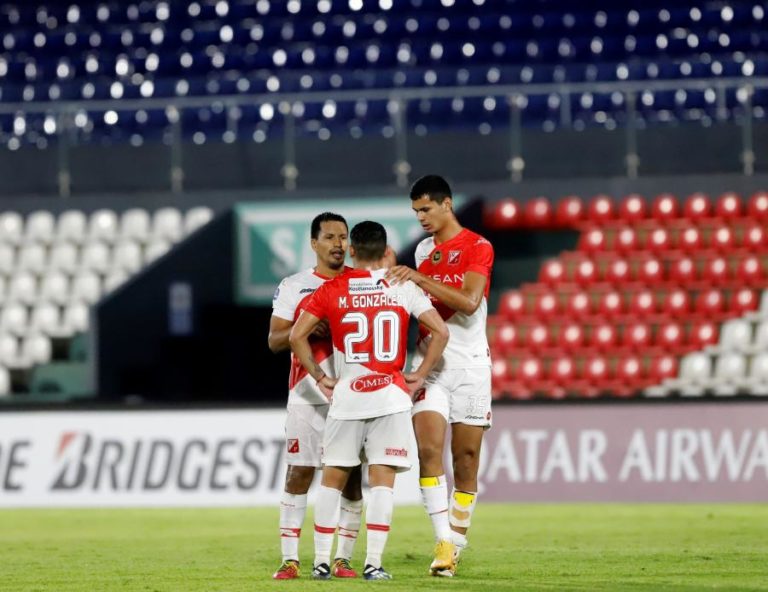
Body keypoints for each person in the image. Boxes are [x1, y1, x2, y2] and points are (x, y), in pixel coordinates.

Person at [289, 221, 449, 581]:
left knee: (332, 478)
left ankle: (320, 562)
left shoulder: (333, 288)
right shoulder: (402, 286)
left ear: (353, 251)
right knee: (382, 480)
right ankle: (373, 564)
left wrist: (320, 377)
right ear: (385, 250)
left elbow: (297, 335)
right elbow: (440, 331)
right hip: (391, 395)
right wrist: (420, 373)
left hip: (348, 395)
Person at [386, 175, 495, 577]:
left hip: (471, 366)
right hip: (432, 367)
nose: (421, 218)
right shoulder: (423, 250)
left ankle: (458, 540)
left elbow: (468, 303)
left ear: (447, 204)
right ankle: (443, 541)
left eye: (426, 209)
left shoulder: (478, 246)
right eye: (416, 211)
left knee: (465, 462)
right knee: (428, 451)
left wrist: (420, 278)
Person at [268, 212, 363, 580]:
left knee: (352, 478)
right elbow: (275, 340)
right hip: (305, 394)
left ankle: (343, 559)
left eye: (343, 237)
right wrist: (306, 325)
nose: (338, 244)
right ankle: (290, 559)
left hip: (353, 396)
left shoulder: (360, 283)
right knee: (299, 473)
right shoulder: (296, 286)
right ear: (313, 243)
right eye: (329, 237)